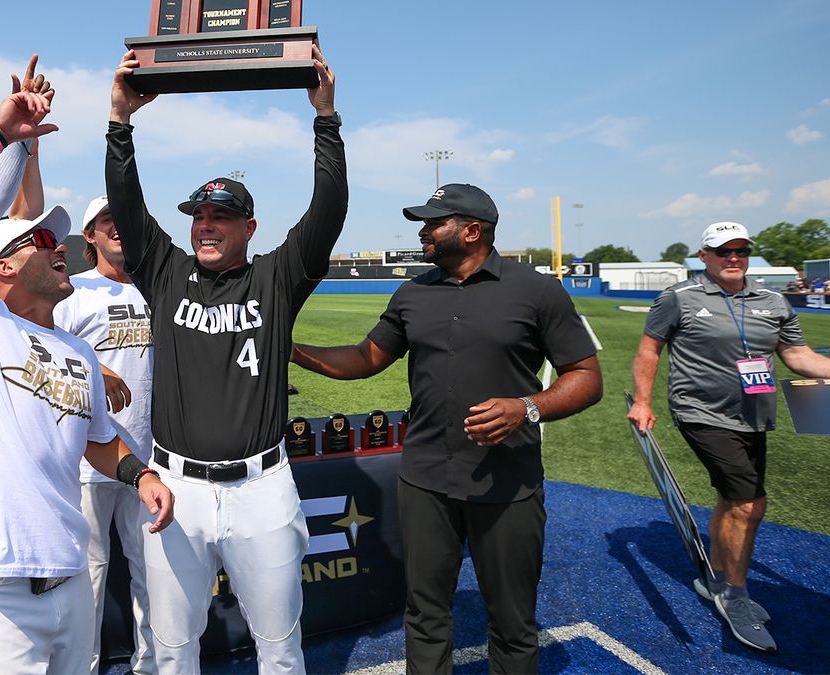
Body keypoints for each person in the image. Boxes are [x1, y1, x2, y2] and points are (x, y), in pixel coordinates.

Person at [0, 56, 174, 673]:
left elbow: (97, 440)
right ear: (2, 268)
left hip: (67, 576)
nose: (59, 247)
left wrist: (140, 476)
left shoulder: (77, 350)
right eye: (41, 242)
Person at [291, 184, 603, 673]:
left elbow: (586, 377)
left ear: (472, 231)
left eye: (434, 223)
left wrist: (526, 407)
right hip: (425, 479)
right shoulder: (413, 291)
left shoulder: (536, 289)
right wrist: (290, 351)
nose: (423, 232)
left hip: (507, 482)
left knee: (513, 620)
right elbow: (365, 358)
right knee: (425, 611)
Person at [106, 45, 345, 674]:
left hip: (262, 488)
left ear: (250, 227)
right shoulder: (165, 273)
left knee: (280, 650)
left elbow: (327, 214)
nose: (206, 226)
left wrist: (325, 120)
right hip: (176, 488)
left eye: (222, 217)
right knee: (172, 649)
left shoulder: (277, 277)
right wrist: (120, 123)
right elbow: (127, 207)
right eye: (199, 217)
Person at [628, 221, 830, 653]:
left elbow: (798, 356)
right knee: (749, 505)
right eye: (724, 251)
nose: (734, 258)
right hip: (700, 413)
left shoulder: (774, 301)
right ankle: (735, 597)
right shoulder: (679, 297)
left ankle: (717, 578)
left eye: (741, 250)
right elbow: (649, 349)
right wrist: (642, 402)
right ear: (704, 256)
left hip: (755, 415)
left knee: (731, 498)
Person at [54, 195, 156, 674]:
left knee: (152, 576)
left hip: (152, 459)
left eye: (123, 218)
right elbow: (43, 349)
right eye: (105, 220)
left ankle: (151, 666)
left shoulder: (157, 286)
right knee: (88, 580)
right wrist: (95, 368)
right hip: (88, 459)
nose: (117, 227)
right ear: (90, 235)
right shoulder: (72, 291)